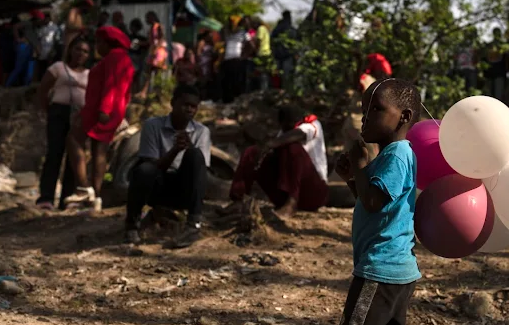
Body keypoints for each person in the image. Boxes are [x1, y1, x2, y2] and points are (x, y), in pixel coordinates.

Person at [300, 78, 477, 325]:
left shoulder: (397, 154)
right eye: (364, 108)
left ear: (405, 117)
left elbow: (378, 200)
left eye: (376, 109)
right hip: (395, 270)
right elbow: (370, 198)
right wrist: (354, 176)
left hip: (380, 269)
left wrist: (362, 168)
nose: (365, 117)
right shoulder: (390, 156)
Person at [125, 84, 210, 246]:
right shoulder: (152, 125)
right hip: (157, 187)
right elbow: (150, 167)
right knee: (143, 169)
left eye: (194, 107)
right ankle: (131, 225)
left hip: (184, 189)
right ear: (173, 104)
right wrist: (175, 150)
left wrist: (188, 147)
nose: (190, 110)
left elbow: (200, 172)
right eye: (186, 105)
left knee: (196, 154)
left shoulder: (201, 131)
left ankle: (193, 224)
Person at [64, 26, 135, 208]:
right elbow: (126, 91)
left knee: (74, 138)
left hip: (100, 109)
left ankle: (83, 188)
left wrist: (104, 110)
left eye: (98, 43)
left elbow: (111, 85)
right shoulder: (125, 58)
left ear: (105, 43)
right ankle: (96, 196)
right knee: (99, 151)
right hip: (113, 110)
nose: (96, 47)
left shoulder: (113, 57)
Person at [230, 105, 329, 217]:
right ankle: (238, 199)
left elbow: (297, 134)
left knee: (291, 146)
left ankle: (292, 202)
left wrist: (270, 145)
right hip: (282, 195)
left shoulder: (312, 125)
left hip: (313, 194)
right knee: (252, 152)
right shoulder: (282, 133)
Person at [35, 36, 91, 210]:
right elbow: (43, 89)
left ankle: (67, 198)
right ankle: (46, 198)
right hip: (59, 112)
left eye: (85, 51)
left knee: (73, 159)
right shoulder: (58, 68)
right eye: (78, 49)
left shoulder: (89, 74)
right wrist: (47, 110)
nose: (81, 54)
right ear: (70, 50)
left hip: (79, 117)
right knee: (54, 154)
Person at [6, 10, 44, 87]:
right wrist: (18, 39)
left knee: (29, 71)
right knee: (18, 68)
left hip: (32, 49)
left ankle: (25, 87)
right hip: (24, 47)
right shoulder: (27, 24)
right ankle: (7, 85)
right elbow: (15, 27)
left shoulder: (36, 28)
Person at [272, 11, 298, 88]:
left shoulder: (277, 29)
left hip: (278, 55)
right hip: (287, 55)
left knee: (278, 76)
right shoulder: (291, 29)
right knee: (286, 76)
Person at [483, 28, 508, 101]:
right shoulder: (489, 45)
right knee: (488, 96)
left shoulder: (504, 46)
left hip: (500, 73)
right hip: (489, 73)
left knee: (498, 96)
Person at [35, 12, 60, 82]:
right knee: (42, 67)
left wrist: (53, 50)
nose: (44, 20)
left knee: (50, 68)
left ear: (49, 19)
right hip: (42, 50)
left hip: (51, 50)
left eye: (46, 19)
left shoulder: (54, 27)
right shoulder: (42, 28)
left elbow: (56, 40)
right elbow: (39, 39)